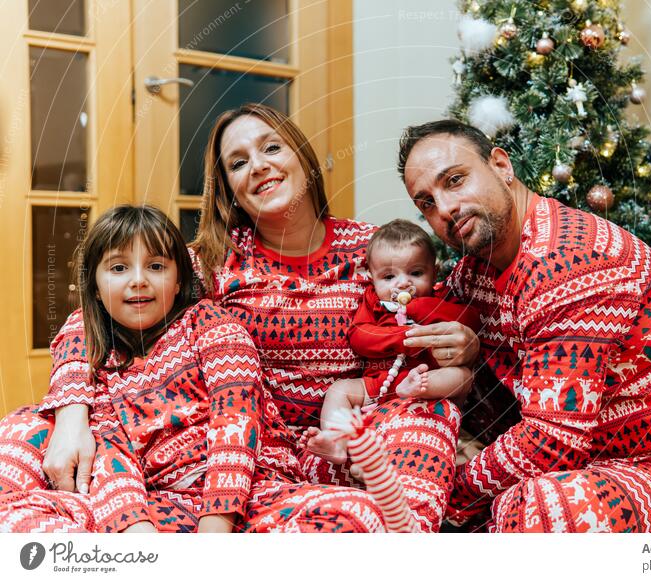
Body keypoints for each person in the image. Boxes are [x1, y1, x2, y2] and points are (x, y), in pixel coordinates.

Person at [0, 104, 476, 532]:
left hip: (345, 440)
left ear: (304, 159)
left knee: (430, 412)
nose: (259, 166)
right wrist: (71, 416)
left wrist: (467, 345)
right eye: (238, 162)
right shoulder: (211, 261)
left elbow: (445, 310)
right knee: (20, 433)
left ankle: (405, 545)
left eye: (271, 147)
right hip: (235, 443)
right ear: (228, 188)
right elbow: (90, 317)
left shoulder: (376, 249)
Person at [397, 119, 651, 533]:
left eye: (455, 180)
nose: (445, 209)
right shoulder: (477, 268)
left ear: (502, 166)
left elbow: (551, 444)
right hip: (578, 455)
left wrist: (442, 492)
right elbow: (419, 325)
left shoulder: (570, 260)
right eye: (427, 204)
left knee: (543, 509)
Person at [0, 205, 386, 533]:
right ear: (95, 286)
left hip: (247, 495)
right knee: (18, 516)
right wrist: (137, 530)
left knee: (356, 514)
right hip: (152, 503)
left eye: (155, 265)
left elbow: (236, 422)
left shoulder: (210, 326)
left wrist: (213, 531)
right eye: (118, 268)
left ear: (180, 277)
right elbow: (110, 453)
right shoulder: (95, 356)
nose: (138, 281)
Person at [300, 219, 480, 464]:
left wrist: (419, 307)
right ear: (372, 278)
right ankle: (335, 441)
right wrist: (405, 338)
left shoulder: (440, 300)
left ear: (434, 273)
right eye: (388, 276)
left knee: (463, 376)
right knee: (339, 390)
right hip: (379, 383)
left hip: (426, 379)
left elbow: (470, 319)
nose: (403, 283)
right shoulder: (373, 302)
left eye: (416, 273)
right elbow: (360, 337)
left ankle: (416, 391)